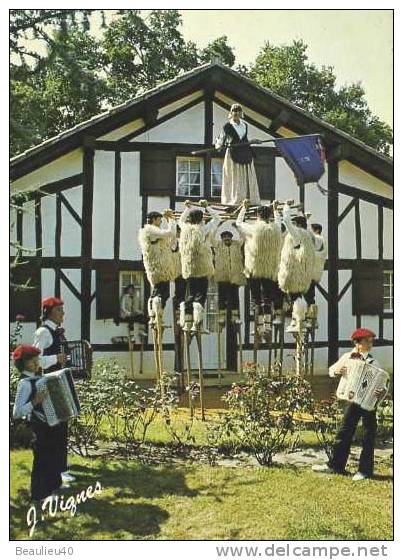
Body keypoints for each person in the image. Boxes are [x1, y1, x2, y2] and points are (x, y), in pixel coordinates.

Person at [312, 328, 388, 481]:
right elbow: (331, 371)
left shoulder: (374, 362)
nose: (370, 343)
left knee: (368, 435)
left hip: (367, 402)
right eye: (367, 341)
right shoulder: (348, 357)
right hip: (351, 399)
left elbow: (383, 383)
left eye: (371, 341)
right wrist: (340, 370)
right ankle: (336, 466)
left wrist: (382, 392)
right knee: (344, 432)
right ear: (358, 343)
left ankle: (365, 471)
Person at [12, 344, 63, 502]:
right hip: (37, 427)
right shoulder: (25, 383)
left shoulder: (40, 378)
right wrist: (35, 401)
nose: (36, 363)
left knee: (51, 456)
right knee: (41, 460)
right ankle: (39, 494)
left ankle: (51, 490)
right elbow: (17, 412)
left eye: (37, 359)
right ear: (23, 364)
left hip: (50, 424)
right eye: (31, 361)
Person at [33, 297, 74, 485]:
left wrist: (62, 359)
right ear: (49, 312)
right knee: (55, 427)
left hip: (58, 382)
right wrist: (56, 358)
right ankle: (57, 471)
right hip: (49, 385)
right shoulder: (43, 332)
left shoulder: (56, 332)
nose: (63, 313)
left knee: (62, 425)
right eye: (59, 310)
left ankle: (61, 467)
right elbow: (34, 360)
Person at [235, 199, 284, 335]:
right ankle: (267, 326)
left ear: (257, 216)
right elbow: (279, 222)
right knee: (267, 298)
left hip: (254, 267)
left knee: (256, 298)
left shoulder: (253, 228)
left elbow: (239, 223)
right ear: (269, 216)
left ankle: (258, 325)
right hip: (269, 268)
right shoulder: (276, 229)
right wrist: (275, 209)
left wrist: (243, 208)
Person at [178, 199, 221, 332]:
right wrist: (207, 206)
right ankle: (198, 323)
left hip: (189, 266)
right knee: (200, 296)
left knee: (190, 295)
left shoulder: (184, 229)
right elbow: (217, 219)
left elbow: (180, 220)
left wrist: (187, 208)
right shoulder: (204, 228)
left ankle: (188, 322)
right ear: (201, 219)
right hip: (202, 266)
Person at [278, 203, 316, 333]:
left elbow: (286, 221)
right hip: (305, 272)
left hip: (295, 271)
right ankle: (298, 320)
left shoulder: (297, 234)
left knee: (296, 296)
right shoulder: (309, 236)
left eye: (295, 224)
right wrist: (303, 215)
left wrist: (286, 207)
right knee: (298, 296)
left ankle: (299, 320)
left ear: (297, 225)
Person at [215, 103, 261, 206]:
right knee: (235, 176)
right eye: (234, 111)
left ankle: (248, 199)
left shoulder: (245, 125)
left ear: (241, 113)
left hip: (245, 152)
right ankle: (235, 200)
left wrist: (253, 141)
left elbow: (244, 139)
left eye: (238, 111)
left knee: (246, 176)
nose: (236, 113)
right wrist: (219, 146)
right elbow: (221, 138)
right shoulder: (227, 126)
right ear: (231, 113)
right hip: (233, 153)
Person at [138, 210, 177, 326]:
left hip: (158, 267)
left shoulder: (151, 232)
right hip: (159, 267)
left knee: (160, 292)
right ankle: (155, 314)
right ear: (154, 219)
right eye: (159, 219)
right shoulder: (151, 230)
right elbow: (170, 232)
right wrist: (170, 219)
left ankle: (155, 315)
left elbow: (169, 242)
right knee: (161, 294)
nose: (160, 222)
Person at [212, 229, 246, 326]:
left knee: (234, 296)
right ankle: (222, 316)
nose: (226, 238)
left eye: (228, 236)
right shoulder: (217, 245)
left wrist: (238, 228)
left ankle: (235, 317)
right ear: (222, 238)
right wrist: (217, 226)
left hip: (234, 276)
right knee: (222, 296)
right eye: (224, 237)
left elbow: (243, 237)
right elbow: (210, 238)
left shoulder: (237, 244)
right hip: (222, 275)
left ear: (231, 237)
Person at [304, 223, 327, 327]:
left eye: (312, 230)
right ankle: (311, 318)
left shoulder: (318, 239)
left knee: (308, 296)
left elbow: (309, 236)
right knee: (310, 296)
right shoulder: (322, 241)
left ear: (316, 231)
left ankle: (311, 319)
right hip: (315, 272)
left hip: (311, 272)